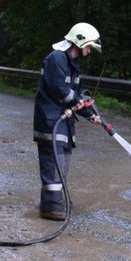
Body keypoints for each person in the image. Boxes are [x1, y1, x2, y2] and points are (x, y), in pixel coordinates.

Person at [33, 22, 103, 220]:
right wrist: (80, 101)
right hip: (50, 121)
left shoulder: (73, 64)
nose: (89, 51)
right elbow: (60, 90)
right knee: (53, 166)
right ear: (79, 41)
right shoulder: (56, 59)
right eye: (88, 46)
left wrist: (90, 114)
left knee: (61, 166)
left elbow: (75, 95)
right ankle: (51, 207)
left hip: (63, 123)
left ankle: (57, 201)